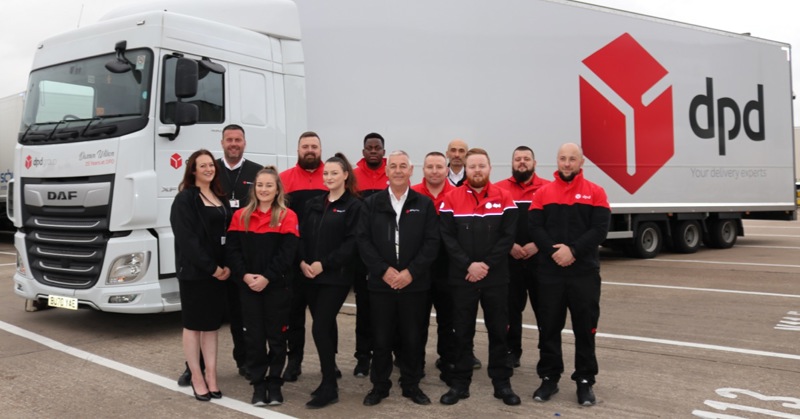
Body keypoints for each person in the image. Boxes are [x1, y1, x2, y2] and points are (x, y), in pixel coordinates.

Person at [177, 124, 262, 387]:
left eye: (238, 140)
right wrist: (211, 265)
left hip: (239, 255)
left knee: (240, 314)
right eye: (229, 140)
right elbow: (189, 235)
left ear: (245, 143)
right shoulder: (210, 171)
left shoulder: (256, 171)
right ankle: (195, 369)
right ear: (222, 143)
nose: (234, 144)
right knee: (201, 319)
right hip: (206, 264)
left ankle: (244, 361)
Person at [528, 143, 610, 407]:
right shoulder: (543, 193)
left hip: (583, 273)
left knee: (585, 329)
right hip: (550, 273)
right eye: (562, 158)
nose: (566, 163)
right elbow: (535, 228)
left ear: (581, 162)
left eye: (572, 159)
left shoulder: (596, 192)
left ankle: (585, 381)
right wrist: (556, 252)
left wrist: (573, 251)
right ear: (557, 161)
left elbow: (599, 230)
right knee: (549, 327)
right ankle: (549, 377)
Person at [438, 148, 521, 406]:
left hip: (495, 278)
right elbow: (447, 238)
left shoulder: (505, 198)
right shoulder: (450, 199)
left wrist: (484, 265)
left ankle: (502, 383)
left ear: (489, 168)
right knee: (462, 332)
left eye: (481, 166)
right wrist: (468, 265)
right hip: (463, 278)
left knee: (498, 331)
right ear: (465, 169)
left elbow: (507, 237)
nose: (476, 170)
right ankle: (460, 383)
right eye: (472, 166)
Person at [358, 150, 440, 407]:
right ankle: (379, 386)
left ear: (410, 170)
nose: (397, 170)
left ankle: (411, 385)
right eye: (392, 166)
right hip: (381, 284)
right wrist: (384, 270)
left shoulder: (423, 203)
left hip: (414, 284)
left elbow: (431, 242)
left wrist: (410, 272)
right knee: (380, 338)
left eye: (402, 166)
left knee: (413, 338)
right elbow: (363, 241)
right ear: (387, 170)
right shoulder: (371, 204)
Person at [226, 167, 299, 407]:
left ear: (277, 188)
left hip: (277, 288)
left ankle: (275, 384)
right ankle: (258, 385)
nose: (264, 189)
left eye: (269, 185)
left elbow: (287, 254)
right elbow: (233, 252)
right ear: (254, 188)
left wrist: (267, 277)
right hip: (249, 288)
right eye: (260, 185)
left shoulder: (288, 216)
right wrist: (246, 276)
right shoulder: (241, 217)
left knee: (277, 338)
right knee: (255, 339)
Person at [300, 153, 364, 409]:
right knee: (324, 326)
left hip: (335, 277)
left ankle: (330, 387)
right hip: (311, 275)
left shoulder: (354, 206)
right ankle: (331, 371)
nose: (328, 177)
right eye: (325, 173)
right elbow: (302, 235)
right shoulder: (315, 203)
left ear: (346, 175)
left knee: (319, 326)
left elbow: (352, 243)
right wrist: (303, 262)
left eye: (334, 173)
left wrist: (323, 264)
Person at [170, 149, 231, 402]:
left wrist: (226, 266)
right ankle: (197, 377)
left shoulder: (219, 196)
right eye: (202, 165)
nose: (208, 169)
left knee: (211, 328)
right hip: (196, 274)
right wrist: (212, 268)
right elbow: (188, 241)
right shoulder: (185, 199)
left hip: (219, 274)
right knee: (194, 327)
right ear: (193, 170)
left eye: (211, 165)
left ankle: (212, 376)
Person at [279, 131, 330, 383]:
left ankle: (328, 364)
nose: (310, 150)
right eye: (305, 146)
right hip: (294, 260)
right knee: (293, 316)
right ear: (298, 149)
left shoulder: (332, 177)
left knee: (325, 318)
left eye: (314, 146)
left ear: (321, 149)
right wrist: (297, 259)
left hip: (324, 262)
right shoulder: (284, 179)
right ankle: (294, 362)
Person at [494, 146, 550, 368]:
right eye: (518, 159)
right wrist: (510, 246)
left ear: (535, 163)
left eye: (526, 159)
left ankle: (547, 351)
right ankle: (511, 350)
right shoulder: (499, 190)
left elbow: (554, 225)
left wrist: (539, 245)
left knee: (545, 309)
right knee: (510, 310)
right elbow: (493, 225)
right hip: (510, 260)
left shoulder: (548, 188)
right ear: (512, 163)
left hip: (541, 260)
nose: (522, 162)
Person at [411, 152, 456, 384]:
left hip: (448, 269)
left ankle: (447, 360)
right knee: (417, 319)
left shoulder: (457, 195)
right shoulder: (413, 194)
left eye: (439, 166)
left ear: (447, 169)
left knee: (448, 319)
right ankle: (414, 363)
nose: (435, 171)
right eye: (430, 166)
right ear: (423, 170)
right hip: (419, 268)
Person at [351, 132, 388, 377]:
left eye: (377, 147)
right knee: (364, 308)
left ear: (383, 151)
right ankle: (363, 357)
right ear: (363, 151)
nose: (373, 151)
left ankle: (391, 353)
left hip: (389, 252)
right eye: (369, 147)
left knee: (389, 308)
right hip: (360, 253)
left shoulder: (394, 173)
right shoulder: (352, 177)